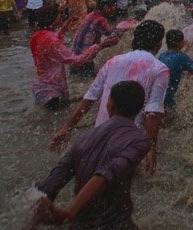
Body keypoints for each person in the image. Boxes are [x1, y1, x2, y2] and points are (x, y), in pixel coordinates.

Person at [32, 82, 151, 230]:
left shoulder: (84, 138)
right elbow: (106, 175)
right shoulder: (139, 140)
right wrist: (69, 212)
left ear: (109, 105)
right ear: (140, 108)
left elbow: (50, 185)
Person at [52, 21, 169, 174]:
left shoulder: (113, 61)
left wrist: (67, 127)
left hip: (100, 136)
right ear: (158, 43)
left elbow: (90, 98)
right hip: (130, 142)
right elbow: (153, 112)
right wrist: (151, 148)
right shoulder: (159, 69)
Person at [30, 6, 119, 110]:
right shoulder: (51, 41)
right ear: (52, 18)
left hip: (41, 86)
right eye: (58, 15)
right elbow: (76, 61)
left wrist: (66, 25)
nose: (61, 16)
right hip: (51, 91)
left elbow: (54, 40)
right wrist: (100, 46)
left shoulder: (37, 36)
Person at [69, 0, 118, 77]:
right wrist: (124, 28)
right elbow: (113, 35)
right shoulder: (99, 19)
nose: (114, 9)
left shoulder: (91, 15)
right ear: (106, 7)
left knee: (78, 82)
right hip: (84, 59)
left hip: (74, 57)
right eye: (113, 6)